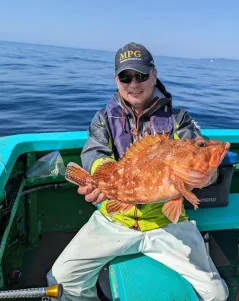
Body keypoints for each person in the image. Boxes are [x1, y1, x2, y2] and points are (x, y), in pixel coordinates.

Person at [46, 42, 229, 301]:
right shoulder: (103, 118)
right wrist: (100, 179)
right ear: (116, 79)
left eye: (141, 75)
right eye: (125, 76)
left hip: (168, 223)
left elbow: (199, 151)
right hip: (115, 219)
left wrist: (208, 176)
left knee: (216, 293)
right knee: (61, 281)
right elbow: (93, 154)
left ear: (154, 75)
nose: (134, 83)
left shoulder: (180, 120)